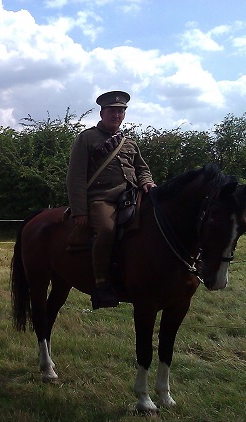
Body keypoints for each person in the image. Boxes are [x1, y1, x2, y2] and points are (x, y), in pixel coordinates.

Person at [66, 90, 155, 310]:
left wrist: (147, 182)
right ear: (102, 112)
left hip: (131, 196)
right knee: (106, 230)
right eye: (113, 111)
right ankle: (101, 285)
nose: (117, 115)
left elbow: (142, 169)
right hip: (101, 199)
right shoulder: (86, 138)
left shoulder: (130, 143)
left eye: (121, 111)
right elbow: (75, 177)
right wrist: (80, 211)